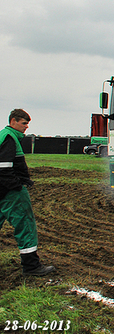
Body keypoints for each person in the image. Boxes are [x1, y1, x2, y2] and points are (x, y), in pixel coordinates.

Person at [0, 109, 55, 276]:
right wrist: (17, 186)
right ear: (13, 121)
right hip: (10, 192)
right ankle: (31, 267)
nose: (26, 127)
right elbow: (3, 168)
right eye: (24, 123)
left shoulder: (3, 135)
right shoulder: (9, 138)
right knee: (25, 226)